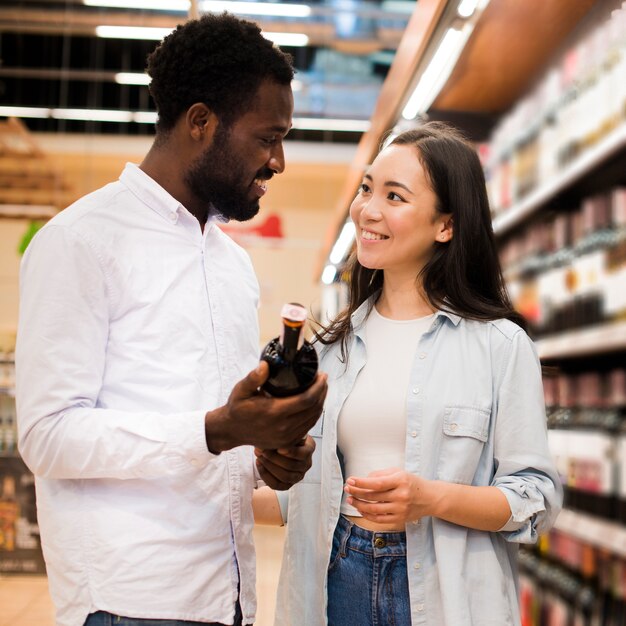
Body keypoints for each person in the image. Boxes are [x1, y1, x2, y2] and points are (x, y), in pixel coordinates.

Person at [15, 13, 327, 626]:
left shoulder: (231, 264)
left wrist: (265, 452)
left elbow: (216, 421)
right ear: (201, 122)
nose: (279, 161)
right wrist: (217, 430)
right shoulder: (81, 242)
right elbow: (47, 436)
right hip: (129, 599)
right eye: (268, 137)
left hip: (228, 594)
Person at [261, 122, 562, 626]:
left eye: (394, 196)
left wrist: (430, 498)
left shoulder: (499, 346)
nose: (368, 210)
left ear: (445, 225)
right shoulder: (330, 349)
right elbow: (305, 497)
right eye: (367, 189)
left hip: (446, 593)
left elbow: (533, 498)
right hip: (337, 577)